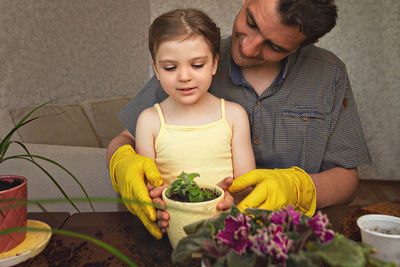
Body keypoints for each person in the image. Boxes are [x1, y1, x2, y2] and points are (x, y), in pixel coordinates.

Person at [107, 0, 371, 239]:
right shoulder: (192, 55)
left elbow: (346, 180)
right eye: (251, 22)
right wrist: (122, 164)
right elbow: (125, 138)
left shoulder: (328, 74)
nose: (247, 47)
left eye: (274, 46)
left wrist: (297, 188)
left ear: (305, 43)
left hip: (289, 234)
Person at [109, 8, 255, 239]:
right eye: (170, 67)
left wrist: (231, 200)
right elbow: (148, 190)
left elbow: (247, 186)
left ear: (215, 64)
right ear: (156, 68)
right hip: (172, 230)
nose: (184, 76)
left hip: (225, 229)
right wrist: (155, 208)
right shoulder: (149, 121)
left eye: (197, 65)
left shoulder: (234, 116)